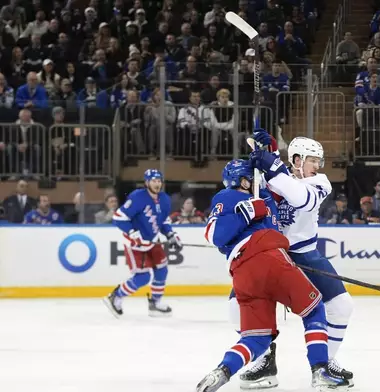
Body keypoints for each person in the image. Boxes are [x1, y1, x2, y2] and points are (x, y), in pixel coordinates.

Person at [195, 159, 349, 392]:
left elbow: (285, 185)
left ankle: (222, 371)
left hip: (244, 274)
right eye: (254, 177)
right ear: (243, 181)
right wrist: (246, 212)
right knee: (315, 307)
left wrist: (271, 154)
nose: (261, 181)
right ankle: (321, 371)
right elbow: (214, 234)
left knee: (257, 337)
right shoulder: (228, 197)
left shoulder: (265, 198)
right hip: (270, 259)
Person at [238, 132, 354, 389]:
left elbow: (301, 199)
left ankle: (326, 362)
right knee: (236, 305)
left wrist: (273, 166)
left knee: (342, 305)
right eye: (314, 160)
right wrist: (258, 158)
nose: (318, 166)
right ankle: (264, 362)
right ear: (298, 159)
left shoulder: (320, 182)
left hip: (306, 253)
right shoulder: (273, 178)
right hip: (270, 256)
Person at [103, 169, 182, 318]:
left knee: (162, 270)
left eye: (159, 181)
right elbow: (119, 218)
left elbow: (164, 221)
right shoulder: (137, 197)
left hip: (152, 242)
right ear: (147, 182)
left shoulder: (165, 199)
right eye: (153, 181)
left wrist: (171, 234)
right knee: (143, 277)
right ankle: (115, 296)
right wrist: (133, 233)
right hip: (135, 245)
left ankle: (155, 303)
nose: (157, 184)